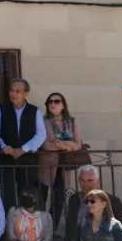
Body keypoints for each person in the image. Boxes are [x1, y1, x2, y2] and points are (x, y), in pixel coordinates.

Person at [0, 78, 46, 209]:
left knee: (27, 193)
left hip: (28, 159)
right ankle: (9, 218)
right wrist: (4, 146)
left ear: (25, 93)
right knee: (8, 192)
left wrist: (23, 149)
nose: (13, 94)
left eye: (18, 91)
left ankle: (27, 220)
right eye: (11, 91)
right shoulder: (0, 110)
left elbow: (41, 134)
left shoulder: (35, 111)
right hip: (6, 158)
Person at [38, 92, 87, 226]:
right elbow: (45, 144)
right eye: (50, 102)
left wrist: (60, 144)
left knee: (59, 200)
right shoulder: (43, 121)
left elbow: (78, 144)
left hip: (65, 166)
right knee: (41, 198)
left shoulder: (71, 121)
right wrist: (67, 145)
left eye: (57, 101)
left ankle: (52, 227)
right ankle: (40, 228)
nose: (53, 104)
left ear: (63, 105)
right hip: (47, 165)